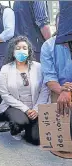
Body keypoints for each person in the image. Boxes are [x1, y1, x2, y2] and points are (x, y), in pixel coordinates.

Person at [0, 36, 49, 145]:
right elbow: (4, 94)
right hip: (15, 106)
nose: (21, 51)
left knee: (36, 140)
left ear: (29, 50)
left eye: (24, 48)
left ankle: (28, 129)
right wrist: (26, 109)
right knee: (20, 121)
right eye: (18, 48)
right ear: (13, 51)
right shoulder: (5, 69)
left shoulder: (38, 67)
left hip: (35, 106)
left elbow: (45, 90)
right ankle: (16, 127)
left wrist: (36, 109)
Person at [40, 1, 72, 138]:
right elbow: (49, 77)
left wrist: (69, 90)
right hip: (58, 89)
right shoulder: (48, 46)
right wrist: (64, 91)